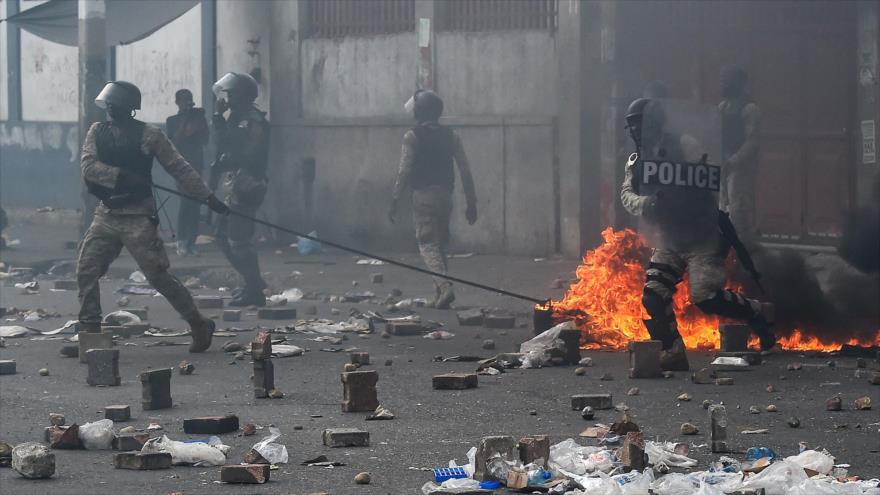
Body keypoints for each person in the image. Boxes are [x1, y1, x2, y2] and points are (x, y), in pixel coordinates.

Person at [620, 97, 775, 370]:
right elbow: (627, 194)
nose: (636, 131)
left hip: (703, 233)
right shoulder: (636, 161)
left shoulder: (684, 144)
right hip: (671, 238)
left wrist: (693, 199)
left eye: (639, 125)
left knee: (705, 296)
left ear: (654, 122)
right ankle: (672, 351)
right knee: (653, 295)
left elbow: (709, 175)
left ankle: (755, 312)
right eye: (632, 126)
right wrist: (648, 202)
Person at [78, 80, 229, 353]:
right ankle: (88, 336)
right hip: (107, 213)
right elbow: (88, 167)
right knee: (86, 270)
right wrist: (121, 176)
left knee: (158, 276)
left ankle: (198, 324)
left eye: (116, 105)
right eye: (109, 104)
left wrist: (207, 197)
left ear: (128, 108)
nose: (111, 109)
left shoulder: (150, 135)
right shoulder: (96, 132)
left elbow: (179, 168)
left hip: (138, 216)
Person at [388, 90, 478, 309]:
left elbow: (404, 170)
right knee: (439, 243)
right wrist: (471, 201)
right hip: (445, 196)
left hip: (423, 196)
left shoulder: (412, 136)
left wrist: (395, 198)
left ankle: (445, 287)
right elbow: (465, 170)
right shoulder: (452, 136)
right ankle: (439, 295)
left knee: (427, 244)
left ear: (420, 112)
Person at [211, 72, 270, 307]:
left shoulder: (251, 119)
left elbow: (228, 142)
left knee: (239, 241)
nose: (228, 98)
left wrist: (217, 116)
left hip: (247, 184)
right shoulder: (238, 116)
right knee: (222, 236)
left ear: (244, 96)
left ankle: (255, 289)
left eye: (232, 93)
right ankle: (252, 283)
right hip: (233, 183)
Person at [718, 66, 761, 240]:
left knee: (738, 213)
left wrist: (734, 160)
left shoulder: (750, 109)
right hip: (723, 165)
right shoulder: (722, 107)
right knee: (721, 210)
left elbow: (752, 141)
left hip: (740, 168)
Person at [166, 89, 209, 256]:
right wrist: (184, 122)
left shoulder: (199, 118)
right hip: (181, 167)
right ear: (177, 102)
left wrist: (199, 123)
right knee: (186, 202)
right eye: (184, 100)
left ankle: (192, 241)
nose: (187, 103)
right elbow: (175, 141)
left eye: (189, 100)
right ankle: (182, 240)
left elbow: (205, 139)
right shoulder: (172, 121)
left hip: (197, 165)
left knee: (196, 203)